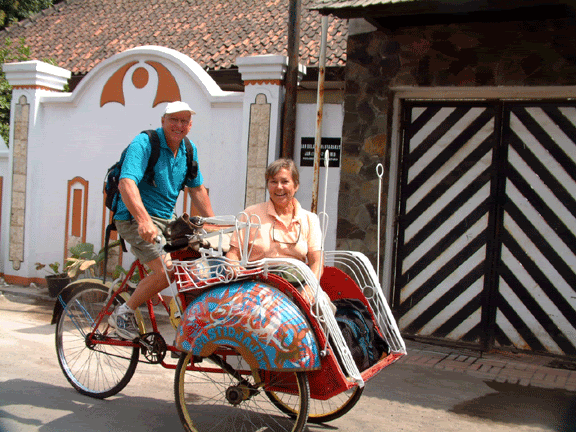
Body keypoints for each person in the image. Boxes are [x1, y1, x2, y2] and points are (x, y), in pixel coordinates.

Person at [109, 101, 214, 340]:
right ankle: (122, 312)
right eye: (173, 120)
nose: (178, 125)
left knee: (192, 262)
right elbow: (127, 183)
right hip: (134, 218)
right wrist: (144, 220)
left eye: (184, 121)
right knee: (167, 270)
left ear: (190, 125)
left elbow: (196, 189)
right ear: (163, 121)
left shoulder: (188, 149)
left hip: (168, 220)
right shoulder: (145, 143)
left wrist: (213, 223)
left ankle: (186, 319)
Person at [226, 158, 330, 307]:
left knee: (322, 305)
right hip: (257, 286)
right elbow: (233, 253)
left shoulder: (309, 219)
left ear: (296, 185)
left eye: (285, 181)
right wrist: (233, 265)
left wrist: (310, 288)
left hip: (296, 284)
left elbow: (317, 261)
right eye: (273, 182)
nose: (279, 187)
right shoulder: (250, 214)